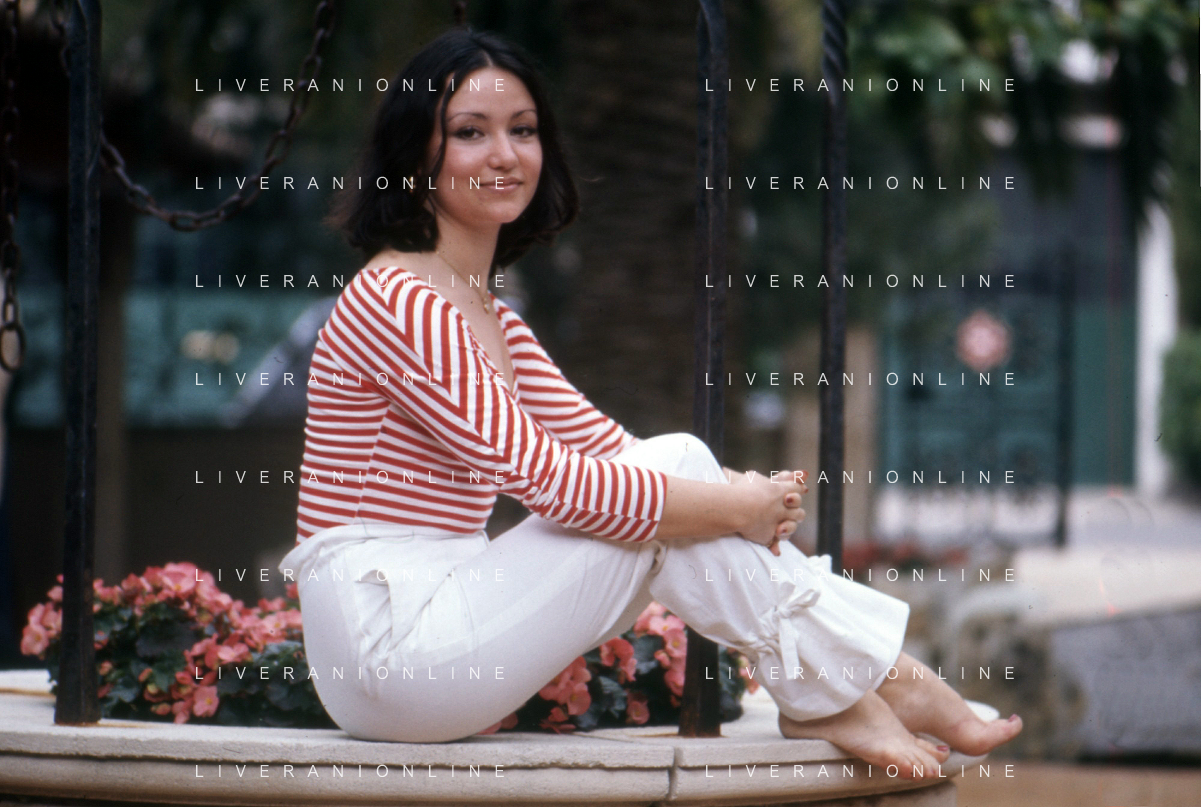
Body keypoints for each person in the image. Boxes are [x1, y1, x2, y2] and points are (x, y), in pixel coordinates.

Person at [279, 26, 1021, 778]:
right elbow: (549, 482)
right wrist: (735, 506)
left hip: (439, 627)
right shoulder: (400, 300)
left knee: (676, 461)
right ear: (415, 155)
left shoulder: (490, 317)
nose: (504, 154)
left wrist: (735, 493)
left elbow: (609, 449)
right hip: (387, 652)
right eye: (470, 132)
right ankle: (866, 682)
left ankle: (851, 684)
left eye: (523, 130)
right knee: (672, 476)